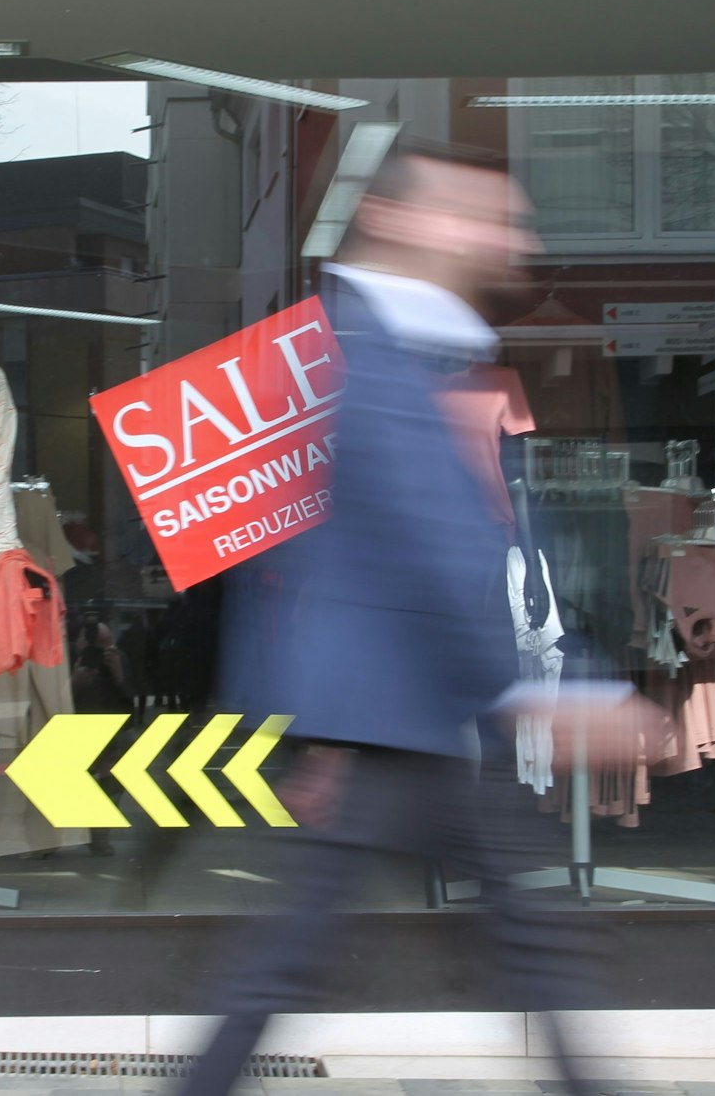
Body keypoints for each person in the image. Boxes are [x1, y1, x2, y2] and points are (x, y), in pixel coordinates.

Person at [184, 141, 635, 1096]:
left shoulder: (403, 344)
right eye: (482, 214)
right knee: (296, 961)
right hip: (381, 716)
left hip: (399, 711)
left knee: (518, 942)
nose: (510, 238)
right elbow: (427, 535)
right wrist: (534, 682)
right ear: (395, 216)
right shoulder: (368, 350)